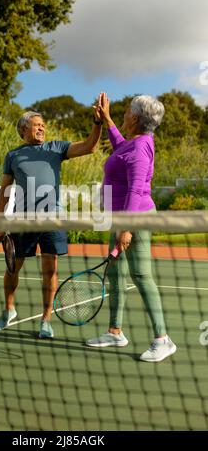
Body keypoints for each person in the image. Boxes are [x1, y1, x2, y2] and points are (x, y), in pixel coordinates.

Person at [0, 96, 104, 338]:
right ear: (24, 129)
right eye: (37, 124)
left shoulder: (56, 148)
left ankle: (46, 320)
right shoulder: (12, 156)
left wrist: (97, 122)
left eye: (43, 124)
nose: (42, 127)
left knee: (50, 269)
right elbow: (4, 192)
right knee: (13, 268)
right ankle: (9, 309)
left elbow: (89, 147)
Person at [86, 93, 177, 362]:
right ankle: (115, 332)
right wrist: (108, 118)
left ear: (135, 118)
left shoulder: (139, 148)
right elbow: (120, 148)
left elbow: (137, 189)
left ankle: (163, 339)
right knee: (116, 275)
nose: (124, 114)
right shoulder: (133, 144)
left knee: (140, 274)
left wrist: (127, 228)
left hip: (134, 218)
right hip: (120, 217)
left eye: (126, 111)